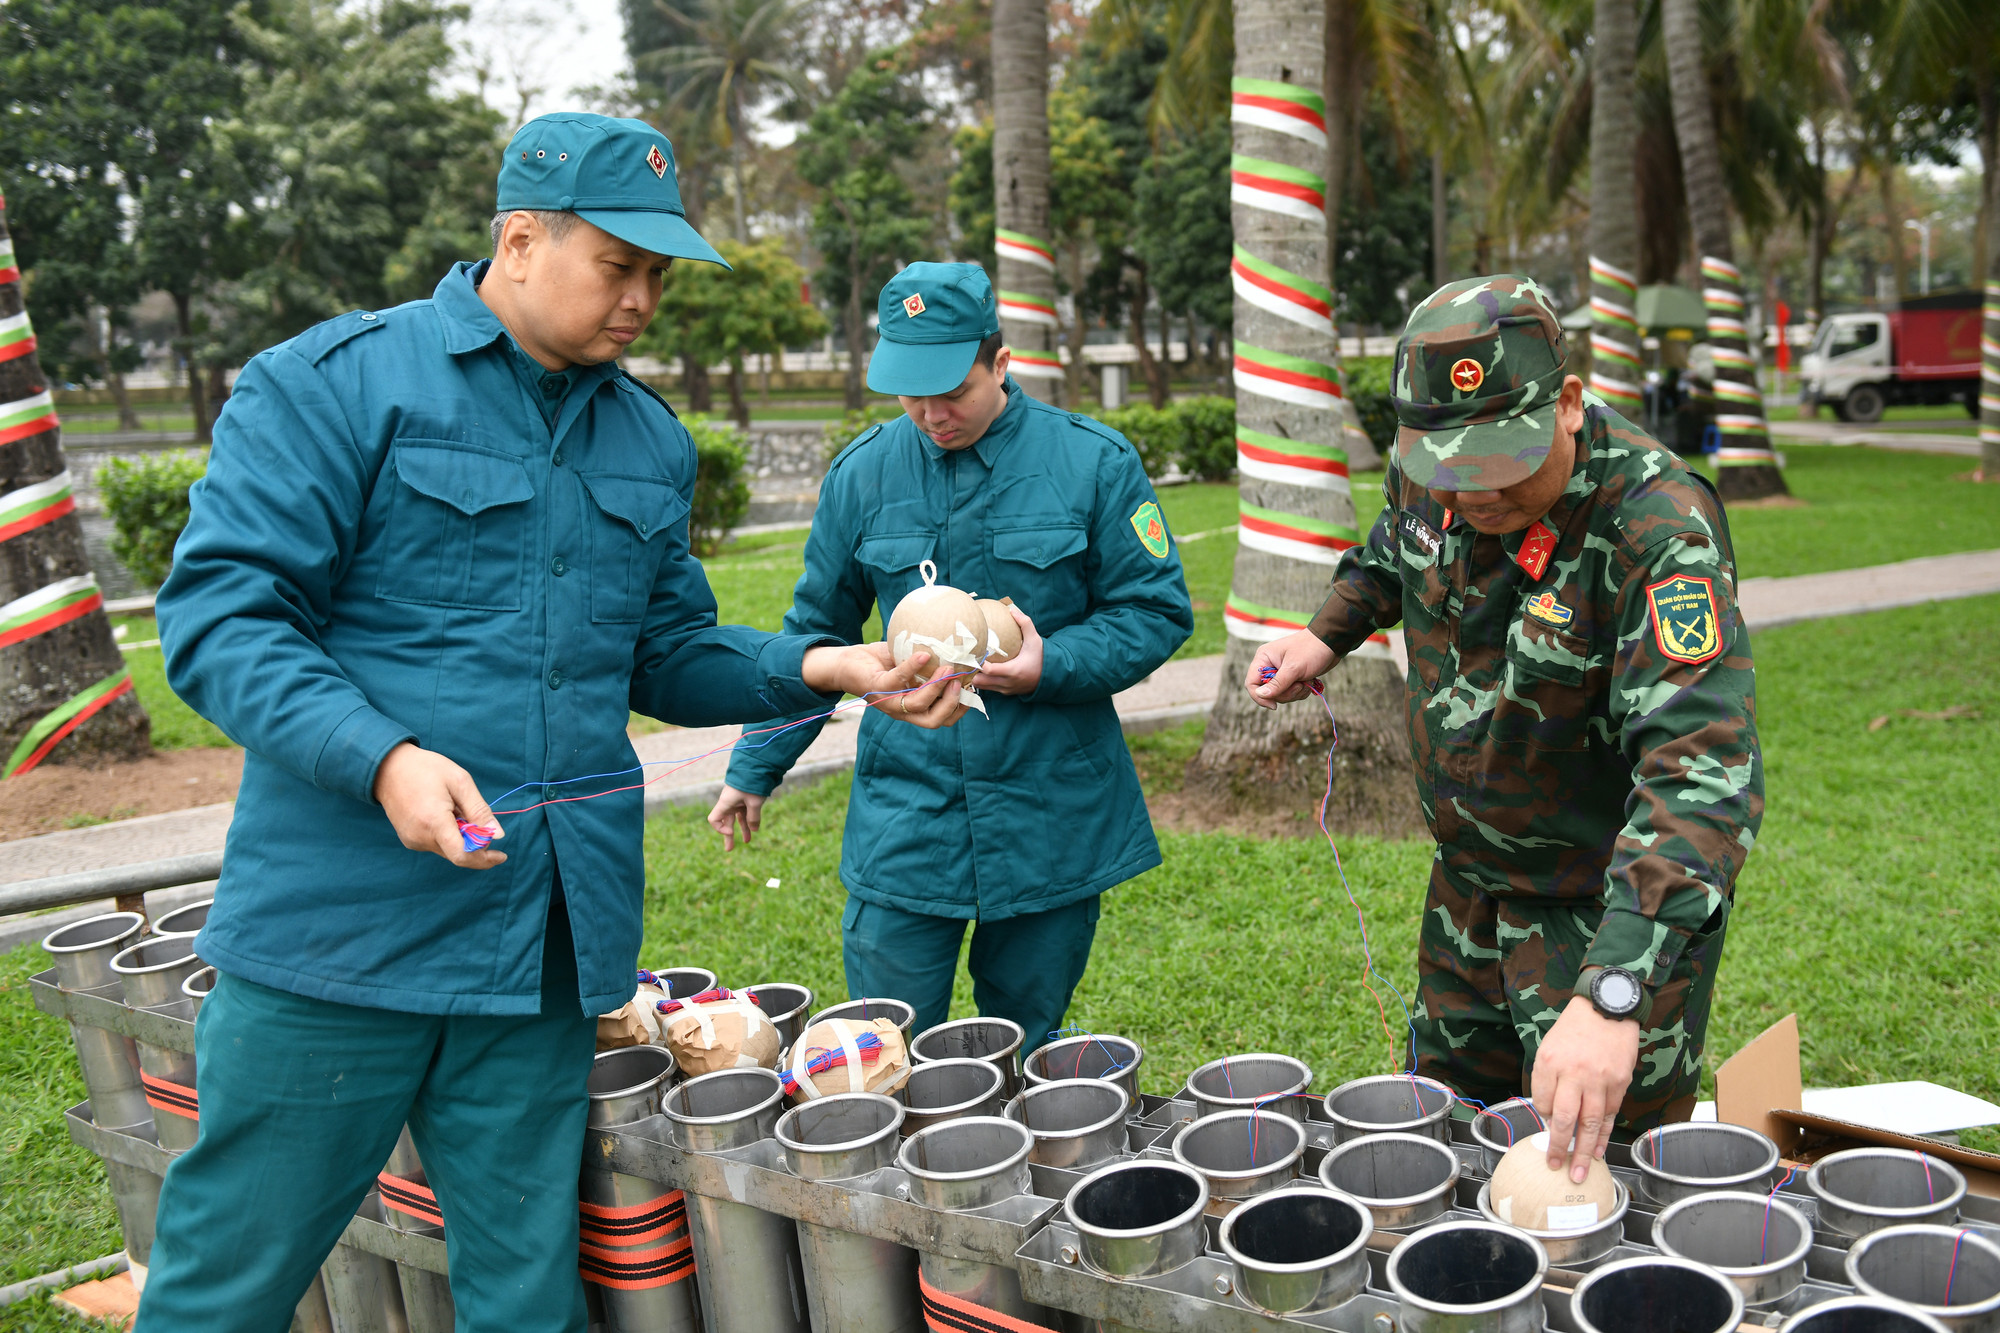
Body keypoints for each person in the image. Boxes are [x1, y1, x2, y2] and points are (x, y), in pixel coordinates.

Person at [143, 113, 959, 1331]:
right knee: (231, 1279)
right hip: (341, 933)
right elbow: (222, 619)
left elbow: (667, 653)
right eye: (616, 267)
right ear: (519, 241)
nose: (641, 300)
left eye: (658, 275)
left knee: (528, 1287)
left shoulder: (646, 436)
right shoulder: (336, 386)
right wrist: (384, 761)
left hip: (541, 941)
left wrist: (829, 664)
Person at [1249, 275, 1762, 1184]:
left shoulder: (1656, 529)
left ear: (1567, 403)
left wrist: (1615, 994)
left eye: (1498, 463)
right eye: (1447, 468)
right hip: (1467, 893)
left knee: (1601, 1180)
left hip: (1601, 914)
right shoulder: (1434, 468)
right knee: (1444, 1145)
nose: (1471, 494)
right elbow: (1388, 551)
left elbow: (1700, 774)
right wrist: (1323, 636)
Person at [707, 262, 1193, 1050]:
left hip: (1048, 805)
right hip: (908, 809)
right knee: (883, 1043)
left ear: (1001, 364)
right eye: (911, 394)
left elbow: (1155, 611)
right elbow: (816, 631)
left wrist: (1050, 664)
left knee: (1027, 1041)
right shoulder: (863, 473)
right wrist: (754, 765)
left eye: (953, 391)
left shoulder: (1093, 462)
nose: (932, 414)